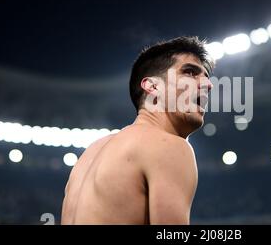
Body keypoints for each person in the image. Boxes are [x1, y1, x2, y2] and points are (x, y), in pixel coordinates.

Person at [61, 36, 215, 224]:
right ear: (152, 86)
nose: (208, 85)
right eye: (190, 72)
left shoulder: (89, 155)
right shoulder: (168, 145)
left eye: (206, 77)